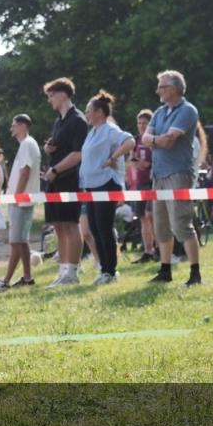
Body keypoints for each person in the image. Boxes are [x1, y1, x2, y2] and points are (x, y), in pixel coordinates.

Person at [142, 70, 202, 286]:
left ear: (175, 88)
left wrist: (154, 140)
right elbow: (146, 138)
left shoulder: (187, 111)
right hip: (158, 174)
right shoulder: (159, 112)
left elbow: (168, 142)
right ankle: (165, 270)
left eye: (162, 86)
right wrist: (158, 139)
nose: (158, 90)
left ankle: (195, 273)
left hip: (178, 173)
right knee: (161, 225)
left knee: (181, 224)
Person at [79, 91, 135, 284]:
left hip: (106, 183)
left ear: (100, 112)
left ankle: (110, 271)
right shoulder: (92, 132)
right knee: (95, 228)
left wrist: (114, 157)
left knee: (104, 227)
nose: (86, 114)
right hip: (91, 186)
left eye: (89, 111)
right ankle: (104, 269)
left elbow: (130, 141)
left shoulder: (109, 129)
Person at [41, 78, 89, 287]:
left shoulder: (78, 120)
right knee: (58, 226)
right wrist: (50, 149)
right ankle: (63, 271)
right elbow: (62, 148)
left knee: (70, 225)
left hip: (69, 180)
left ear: (63, 94)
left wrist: (56, 169)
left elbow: (78, 154)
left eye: (51, 95)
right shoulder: (58, 122)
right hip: (53, 181)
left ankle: (72, 272)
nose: (49, 100)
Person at [0, 115, 41, 289]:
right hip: (21, 199)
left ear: (23, 126)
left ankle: (6, 281)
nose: (11, 129)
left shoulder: (27, 144)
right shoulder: (27, 144)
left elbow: (25, 172)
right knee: (22, 241)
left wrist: (16, 196)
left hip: (21, 200)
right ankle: (27, 277)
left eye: (14, 125)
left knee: (15, 242)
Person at [130, 110, 157, 263]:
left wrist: (148, 164)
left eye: (144, 123)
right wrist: (135, 163)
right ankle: (147, 250)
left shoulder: (153, 139)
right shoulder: (136, 140)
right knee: (142, 218)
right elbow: (132, 158)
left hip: (153, 182)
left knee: (151, 216)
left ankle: (158, 248)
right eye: (139, 123)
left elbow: (160, 159)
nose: (141, 126)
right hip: (140, 183)